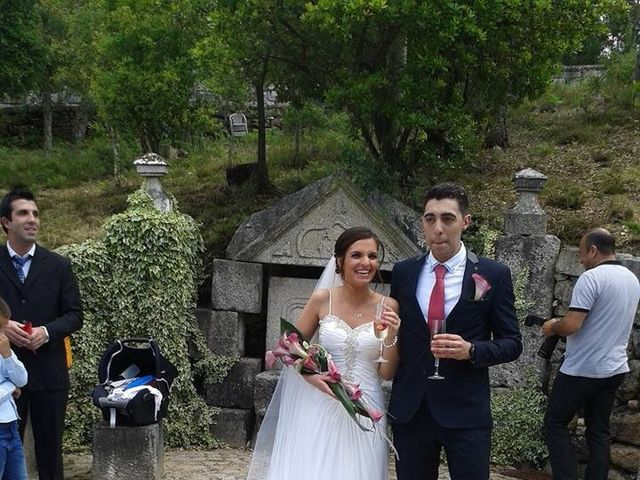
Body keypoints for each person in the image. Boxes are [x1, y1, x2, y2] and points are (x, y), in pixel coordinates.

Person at [389, 182, 522, 480]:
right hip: (411, 409)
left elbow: (512, 343)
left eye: (447, 219)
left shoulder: (492, 275)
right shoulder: (404, 272)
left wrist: (472, 350)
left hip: (466, 413)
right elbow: (397, 334)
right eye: (429, 219)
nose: (438, 228)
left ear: (466, 221)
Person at [247, 226, 401, 480]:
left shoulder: (389, 306)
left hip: (367, 404)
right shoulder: (322, 300)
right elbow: (287, 346)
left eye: (372, 256)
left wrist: (393, 335)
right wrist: (311, 376)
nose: (366, 262)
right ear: (340, 260)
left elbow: (386, 372)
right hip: (321, 400)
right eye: (357, 255)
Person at [542, 228, 640, 480]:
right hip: (614, 368)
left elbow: (572, 325)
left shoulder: (592, 278)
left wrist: (553, 326)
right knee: (598, 432)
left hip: (582, 369)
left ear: (594, 250)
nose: (581, 260)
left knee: (555, 423)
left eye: (583, 254)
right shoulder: (631, 278)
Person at [0, 186, 83, 480]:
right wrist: (2, 326)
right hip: (5, 378)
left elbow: (75, 315)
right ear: (6, 222)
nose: (32, 219)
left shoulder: (59, 265)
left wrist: (47, 332)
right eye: (23, 213)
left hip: (50, 372)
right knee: (4, 451)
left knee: (51, 453)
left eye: (35, 213)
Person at [0, 296, 28, 480]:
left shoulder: (4, 347)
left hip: (11, 428)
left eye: (4, 326)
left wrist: (8, 354)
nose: (3, 333)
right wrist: (11, 387)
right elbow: (15, 384)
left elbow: (23, 379)